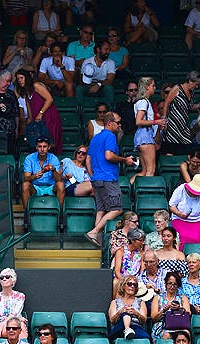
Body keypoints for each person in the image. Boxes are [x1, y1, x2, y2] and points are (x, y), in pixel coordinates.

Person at [86, 112, 136, 246]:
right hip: (108, 178)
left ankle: (96, 239)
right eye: (118, 122)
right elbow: (109, 156)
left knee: (101, 210)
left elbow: (88, 159)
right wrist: (125, 160)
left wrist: (93, 176)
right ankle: (94, 232)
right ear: (109, 123)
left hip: (97, 179)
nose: (119, 125)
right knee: (117, 209)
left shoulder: (95, 138)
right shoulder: (110, 136)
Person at [160, 72, 200, 157]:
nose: (197, 87)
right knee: (171, 152)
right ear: (190, 81)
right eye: (196, 84)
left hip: (184, 126)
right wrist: (164, 118)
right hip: (173, 126)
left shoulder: (191, 92)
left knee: (187, 152)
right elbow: (167, 103)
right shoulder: (177, 88)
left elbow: (189, 106)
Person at [169, 174, 200, 249]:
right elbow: (171, 206)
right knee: (180, 241)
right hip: (179, 220)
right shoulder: (181, 189)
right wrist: (179, 213)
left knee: (195, 241)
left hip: (197, 221)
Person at [22, 137, 65, 207]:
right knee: (25, 185)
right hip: (36, 188)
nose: (42, 149)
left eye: (44, 147)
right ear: (36, 147)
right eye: (39, 146)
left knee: (61, 185)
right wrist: (34, 176)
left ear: (49, 147)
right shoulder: (29, 158)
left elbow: (59, 180)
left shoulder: (53, 158)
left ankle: (59, 214)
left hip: (51, 187)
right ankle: (27, 214)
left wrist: (53, 170)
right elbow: (26, 178)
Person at [149, 271, 191, 341]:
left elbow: (188, 314)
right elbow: (153, 317)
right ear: (165, 284)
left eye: (175, 284)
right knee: (167, 335)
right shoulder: (157, 298)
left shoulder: (183, 298)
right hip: (162, 326)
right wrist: (163, 310)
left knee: (186, 333)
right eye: (170, 283)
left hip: (179, 326)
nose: (172, 286)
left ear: (178, 286)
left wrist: (179, 309)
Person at [78, 40, 117, 107]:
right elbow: (81, 79)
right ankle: (80, 110)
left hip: (102, 86)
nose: (108, 52)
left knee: (109, 88)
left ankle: (109, 110)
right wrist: (90, 85)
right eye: (106, 49)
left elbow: (110, 80)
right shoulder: (87, 62)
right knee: (79, 89)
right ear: (98, 49)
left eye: (109, 49)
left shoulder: (111, 62)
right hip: (88, 86)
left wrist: (98, 85)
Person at [0, 268, 26, 338]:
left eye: (7, 277)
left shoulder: (20, 296)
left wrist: (4, 322)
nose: (4, 279)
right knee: (16, 329)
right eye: (1, 277)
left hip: (14, 325)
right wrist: (18, 318)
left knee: (20, 327)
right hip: (0, 327)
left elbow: (15, 313)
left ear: (13, 280)